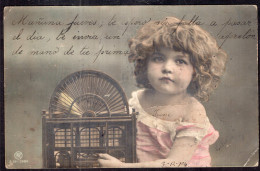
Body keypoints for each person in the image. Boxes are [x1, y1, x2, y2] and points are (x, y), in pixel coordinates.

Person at [98, 16, 228, 167]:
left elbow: (175, 163)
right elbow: (116, 131)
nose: (167, 68)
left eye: (180, 61)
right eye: (158, 58)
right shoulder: (138, 100)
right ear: (145, 63)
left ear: (196, 71)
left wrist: (122, 167)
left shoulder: (192, 112)